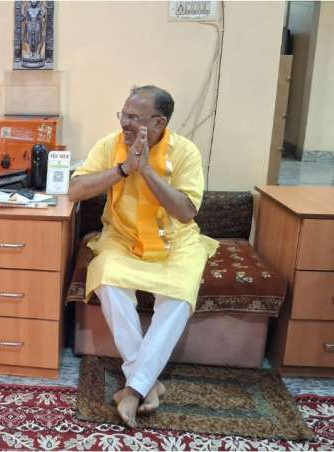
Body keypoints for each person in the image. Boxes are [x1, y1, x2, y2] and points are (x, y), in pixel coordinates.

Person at [68, 85, 218, 428]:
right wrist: (123, 168)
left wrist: (147, 170)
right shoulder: (110, 145)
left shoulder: (186, 152)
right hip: (122, 239)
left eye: (135, 117)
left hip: (175, 243)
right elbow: (75, 190)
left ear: (159, 122)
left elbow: (186, 213)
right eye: (124, 115)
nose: (125, 123)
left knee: (179, 296)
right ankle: (147, 384)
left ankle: (134, 389)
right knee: (107, 281)